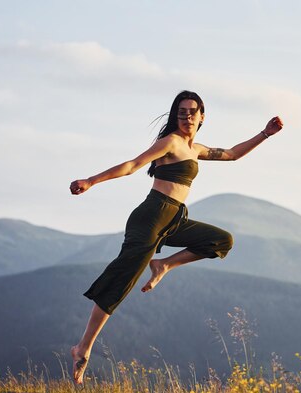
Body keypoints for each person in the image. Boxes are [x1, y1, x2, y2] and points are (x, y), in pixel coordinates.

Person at [68, 90, 284, 384]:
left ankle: (164, 265)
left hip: (174, 219)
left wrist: (265, 134)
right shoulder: (170, 142)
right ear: (175, 116)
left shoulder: (195, 149)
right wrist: (91, 181)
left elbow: (232, 154)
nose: (187, 116)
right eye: (181, 112)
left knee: (221, 240)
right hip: (151, 218)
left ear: (202, 116)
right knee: (122, 280)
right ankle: (84, 348)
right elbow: (133, 165)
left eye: (192, 111)